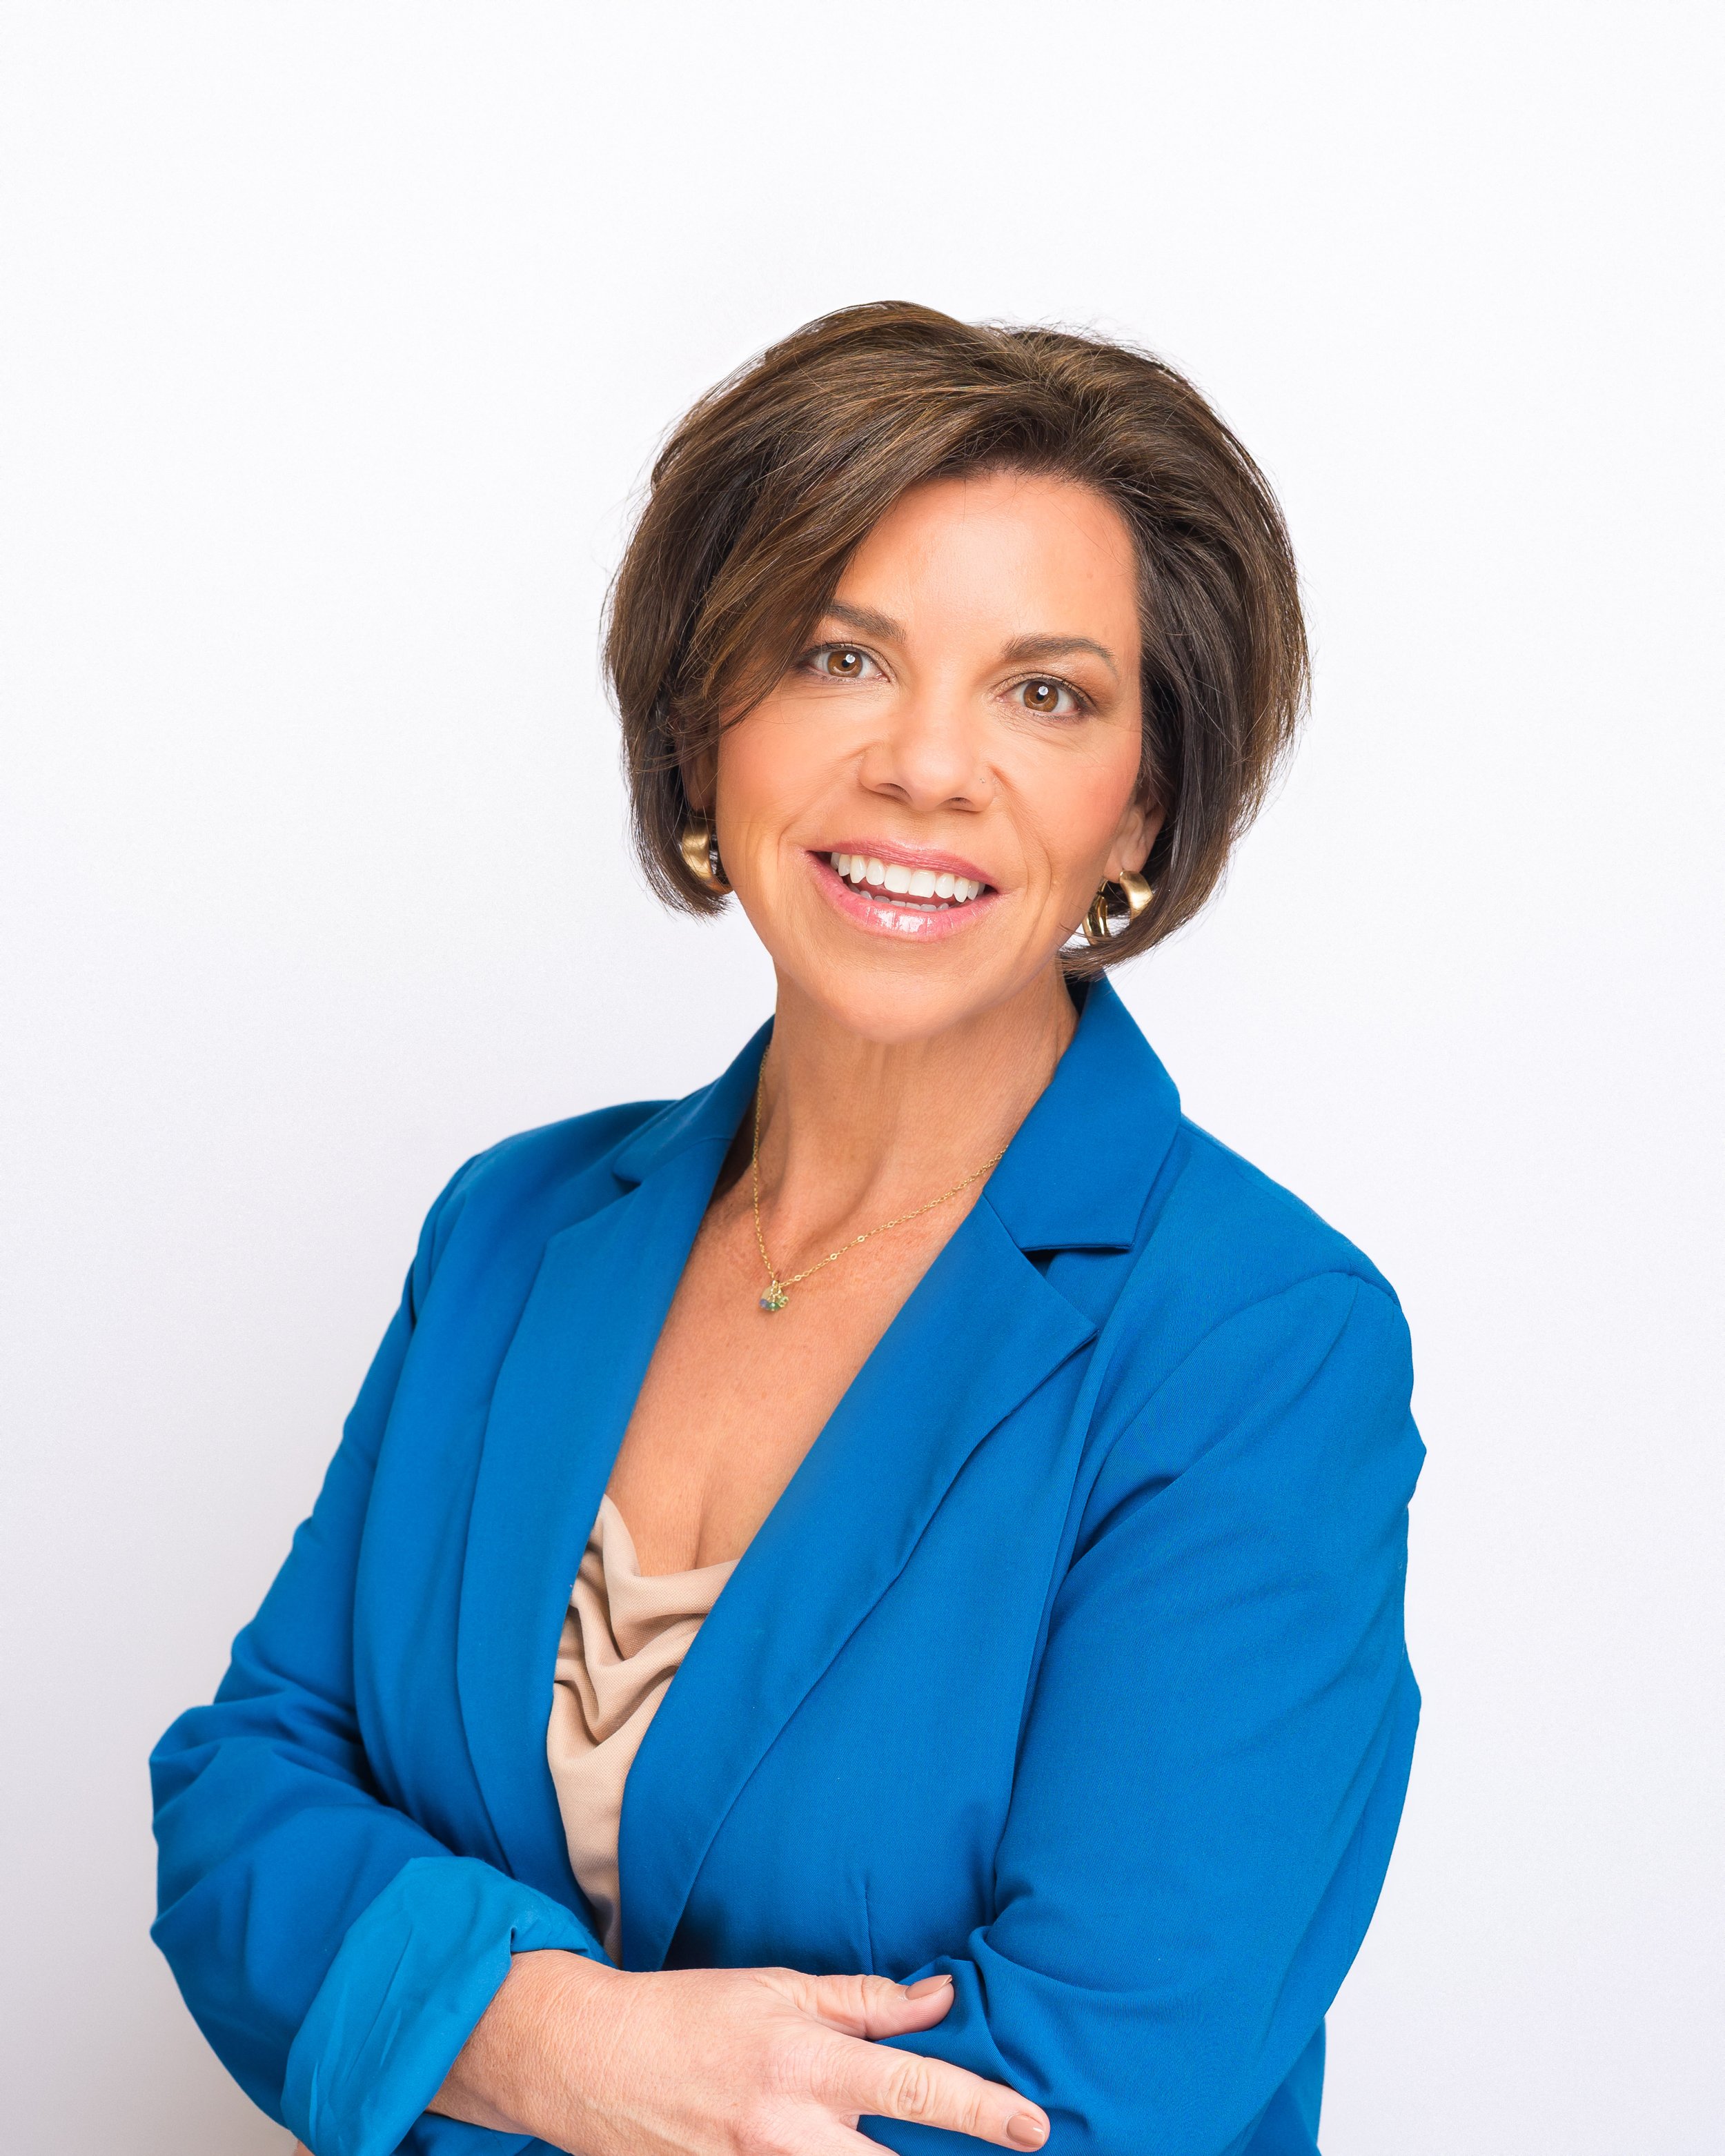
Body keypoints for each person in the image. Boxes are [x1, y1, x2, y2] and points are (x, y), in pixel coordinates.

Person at [151, 301, 1423, 2156]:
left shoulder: (1254, 1345)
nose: (925, 765)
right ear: (703, 718)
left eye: (1045, 692)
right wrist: (545, 2041)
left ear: (1141, 796)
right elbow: (242, 1801)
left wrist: (413, 2014)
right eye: (840, 655)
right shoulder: (510, 1234)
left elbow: (1093, 2093)